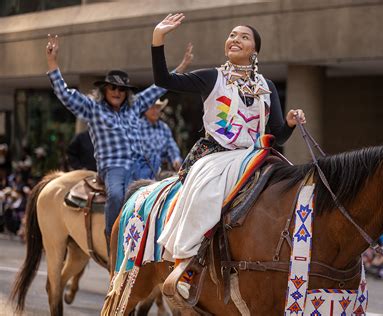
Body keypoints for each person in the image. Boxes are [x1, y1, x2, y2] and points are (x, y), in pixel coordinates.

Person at [151, 13, 306, 297]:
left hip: (257, 154)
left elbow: (278, 135)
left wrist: (291, 124)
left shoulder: (267, 87)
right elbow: (163, 79)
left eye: (244, 37)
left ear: (254, 51)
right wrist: (158, 37)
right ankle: (186, 264)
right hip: (217, 155)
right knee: (206, 193)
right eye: (232, 35)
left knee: (296, 188)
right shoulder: (212, 77)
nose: (235, 39)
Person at [45, 34, 193, 242]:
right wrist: (52, 63)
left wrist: (183, 66)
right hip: (113, 167)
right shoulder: (92, 108)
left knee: (167, 191)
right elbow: (64, 93)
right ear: (104, 90)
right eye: (112, 88)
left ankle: (157, 239)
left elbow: (159, 86)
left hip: (142, 164)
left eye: (121, 89)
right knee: (116, 195)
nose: (117, 92)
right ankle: (113, 238)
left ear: (126, 93)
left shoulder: (136, 105)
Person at [136, 98, 182, 180]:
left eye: (157, 107)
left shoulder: (164, 127)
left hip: (163, 170)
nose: (155, 110)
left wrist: (176, 158)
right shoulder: (137, 127)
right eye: (152, 108)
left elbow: (171, 146)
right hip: (144, 171)